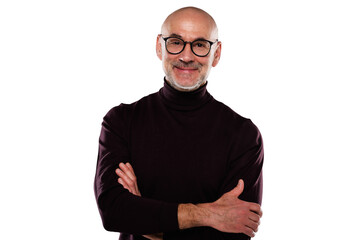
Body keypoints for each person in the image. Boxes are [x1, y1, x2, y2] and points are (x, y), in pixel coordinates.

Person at [94, 6, 264, 240]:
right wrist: (206, 215)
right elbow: (113, 211)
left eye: (200, 44)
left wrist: (149, 224)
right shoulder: (121, 121)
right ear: (159, 47)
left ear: (216, 53)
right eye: (175, 42)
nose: (186, 56)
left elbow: (235, 233)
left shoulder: (243, 135)